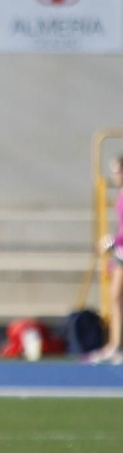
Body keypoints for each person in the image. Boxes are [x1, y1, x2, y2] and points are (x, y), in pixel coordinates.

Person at [91, 154, 123, 364]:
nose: (115, 176)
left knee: (117, 299)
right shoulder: (120, 194)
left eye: (118, 171)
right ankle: (115, 344)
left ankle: (116, 345)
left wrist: (111, 241)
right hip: (121, 254)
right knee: (115, 299)